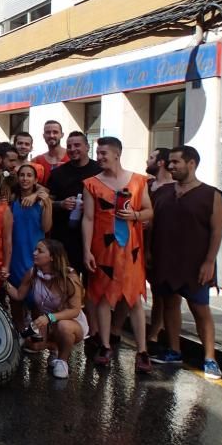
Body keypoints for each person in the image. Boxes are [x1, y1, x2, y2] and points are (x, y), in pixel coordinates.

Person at [149, 146, 222, 379]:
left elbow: (217, 231)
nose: (170, 166)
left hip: (196, 264)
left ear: (191, 163)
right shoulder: (162, 192)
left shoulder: (211, 195)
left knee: (200, 309)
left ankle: (210, 359)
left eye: (175, 162)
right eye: (169, 162)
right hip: (165, 260)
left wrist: (209, 262)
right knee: (170, 304)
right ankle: (174, 350)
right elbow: (151, 226)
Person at [81, 136, 153, 372]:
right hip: (103, 249)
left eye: (103, 153)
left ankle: (142, 351)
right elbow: (88, 218)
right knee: (102, 297)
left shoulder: (138, 182)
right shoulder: (91, 183)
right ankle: (104, 345)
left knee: (134, 299)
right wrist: (86, 250)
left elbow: (148, 211)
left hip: (131, 249)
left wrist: (135, 216)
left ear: (116, 154)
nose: (99, 157)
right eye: (98, 153)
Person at [4, 239, 88, 379]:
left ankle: (63, 361)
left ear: (52, 257)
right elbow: (18, 295)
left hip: (70, 322)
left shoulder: (69, 278)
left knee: (63, 327)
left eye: (40, 251)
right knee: (33, 346)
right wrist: (3, 282)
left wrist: (50, 318)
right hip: (44, 321)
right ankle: (54, 347)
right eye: (35, 249)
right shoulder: (33, 273)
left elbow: (75, 310)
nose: (34, 253)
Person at [46, 131, 99, 276]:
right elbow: (47, 200)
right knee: (65, 281)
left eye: (77, 145)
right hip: (64, 238)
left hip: (94, 237)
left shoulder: (99, 171)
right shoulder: (58, 173)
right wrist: (60, 204)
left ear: (88, 147)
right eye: (69, 146)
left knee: (91, 284)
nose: (72, 149)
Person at [9, 164, 53, 291]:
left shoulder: (42, 201)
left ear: (36, 180)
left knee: (36, 298)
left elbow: (46, 228)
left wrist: (47, 203)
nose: (25, 178)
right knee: (16, 298)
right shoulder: (13, 200)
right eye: (22, 175)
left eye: (29, 175)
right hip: (15, 253)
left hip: (34, 251)